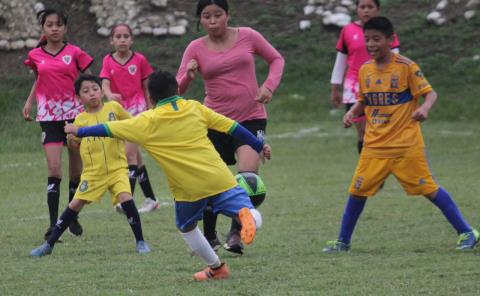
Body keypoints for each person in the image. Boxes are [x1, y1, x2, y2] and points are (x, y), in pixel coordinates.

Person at [64, 70, 270, 281]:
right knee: (247, 209)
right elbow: (234, 127)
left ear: (150, 99)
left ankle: (217, 268)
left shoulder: (147, 121)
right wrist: (259, 145)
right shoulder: (195, 107)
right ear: (178, 90)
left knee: (187, 228)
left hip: (188, 189)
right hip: (219, 177)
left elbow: (108, 128)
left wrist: (79, 131)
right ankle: (247, 217)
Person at [322, 17, 479, 253]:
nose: (371, 44)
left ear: (390, 39)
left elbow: (431, 94)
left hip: (406, 145)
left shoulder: (406, 67)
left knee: (429, 188)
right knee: (357, 191)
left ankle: (467, 232)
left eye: (376, 39)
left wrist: (424, 109)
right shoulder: (365, 70)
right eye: (367, 40)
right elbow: (364, 100)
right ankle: (342, 241)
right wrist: (352, 113)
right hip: (374, 146)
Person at [176, 0, 284, 254]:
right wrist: (188, 77)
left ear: (227, 15)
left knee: (248, 177)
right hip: (214, 121)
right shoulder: (195, 48)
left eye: (218, 15)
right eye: (206, 16)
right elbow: (176, 91)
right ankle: (210, 235)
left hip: (250, 117)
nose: (213, 21)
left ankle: (236, 234)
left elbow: (276, 59)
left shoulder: (248, 36)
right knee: (211, 179)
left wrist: (269, 86)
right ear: (200, 20)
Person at [30, 75, 150, 257]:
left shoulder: (114, 108)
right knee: (75, 204)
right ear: (79, 98)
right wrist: (70, 139)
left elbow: (131, 125)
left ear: (102, 91)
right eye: (86, 91)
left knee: (126, 198)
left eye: (95, 89)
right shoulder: (79, 120)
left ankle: (141, 241)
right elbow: (74, 145)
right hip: (94, 173)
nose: (92, 94)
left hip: (117, 169)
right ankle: (49, 244)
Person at [23, 9, 93, 240]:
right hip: (49, 117)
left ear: (65, 28)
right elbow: (39, 80)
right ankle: (54, 225)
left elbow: (89, 81)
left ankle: (71, 216)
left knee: (76, 171)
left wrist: (95, 100)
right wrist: (30, 102)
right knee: (54, 169)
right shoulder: (35, 55)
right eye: (49, 24)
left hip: (75, 116)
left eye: (58, 24)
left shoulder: (75, 53)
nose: (54, 28)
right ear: (43, 28)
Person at [100, 23, 159, 213]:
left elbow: (147, 86)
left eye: (126, 36)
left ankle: (127, 201)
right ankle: (150, 199)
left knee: (128, 155)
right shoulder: (108, 61)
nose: (122, 40)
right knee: (137, 158)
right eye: (118, 36)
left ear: (131, 39)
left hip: (138, 112)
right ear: (112, 40)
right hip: (119, 114)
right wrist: (108, 94)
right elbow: (105, 84)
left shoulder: (139, 60)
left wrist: (151, 108)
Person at [330, 0, 400, 154]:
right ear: (357, 9)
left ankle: (380, 168)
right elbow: (340, 61)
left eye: (370, 7)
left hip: (381, 87)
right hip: (354, 87)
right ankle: (367, 171)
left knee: (379, 132)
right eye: (362, 7)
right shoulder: (348, 30)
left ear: (378, 9)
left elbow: (396, 58)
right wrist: (335, 88)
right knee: (363, 134)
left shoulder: (386, 31)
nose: (366, 11)